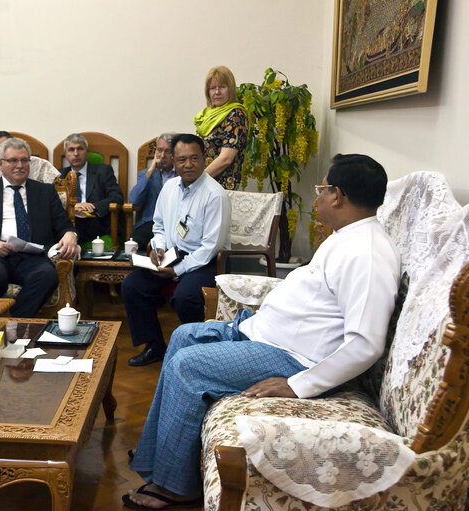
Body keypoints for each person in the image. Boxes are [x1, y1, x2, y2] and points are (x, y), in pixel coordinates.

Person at [124, 154, 400, 510]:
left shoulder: (368, 254)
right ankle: (160, 453)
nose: (316, 198)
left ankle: (176, 487)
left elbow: (366, 344)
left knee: (187, 366)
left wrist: (297, 385)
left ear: (338, 195)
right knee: (184, 336)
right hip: (267, 335)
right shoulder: (347, 236)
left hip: (293, 358)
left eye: (321, 189)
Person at [122, 134, 231, 367]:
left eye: (194, 158)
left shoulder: (215, 195)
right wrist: (159, 248)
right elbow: (159, 226)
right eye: (182, 160)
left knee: (185, 297)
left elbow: (210, 247)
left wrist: (177, 271)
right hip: (171, 254)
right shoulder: (169, 187)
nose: (188, 164)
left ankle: (195, 353)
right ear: (173, 159)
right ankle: (154, 345)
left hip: (204, 261)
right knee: (132, 285)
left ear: (204, 159)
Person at [0, 138, 78, 318]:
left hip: (30, 255)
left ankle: (14, 322)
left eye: (24, 160)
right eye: (13, 160)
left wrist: (70, 234)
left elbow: (63, 225)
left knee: (47, 275)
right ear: (0, 163)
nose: (19, 165)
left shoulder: (45, 191)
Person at [58, 133, 123, 243]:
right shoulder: (59, 175)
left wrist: (93, 206)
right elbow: (53, 202)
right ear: (65, 154)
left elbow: (117, 197)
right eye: (71, 150)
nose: (76, 153)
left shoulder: (103, 171)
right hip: (68, 220)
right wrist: (73, 206)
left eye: (80, 149)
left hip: (94, 221)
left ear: (86, 151)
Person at [193, 65, 247, 190]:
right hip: (202, 184)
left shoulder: (236, 114)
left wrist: (197, 181)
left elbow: (226, 159)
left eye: (222, 87)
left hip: (220, 187)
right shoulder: (207, 115)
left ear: (231, 89)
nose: (217, 92)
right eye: (212, 88)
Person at [128, 133, 177, 251]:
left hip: (176, 223)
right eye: (159, 150)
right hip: (151, 222)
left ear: (175, 153)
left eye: (168, 151)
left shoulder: (183, 175)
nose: (162, 155)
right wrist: (151, 170)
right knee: (136, 242)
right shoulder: (147, 174)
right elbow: (133, 200)